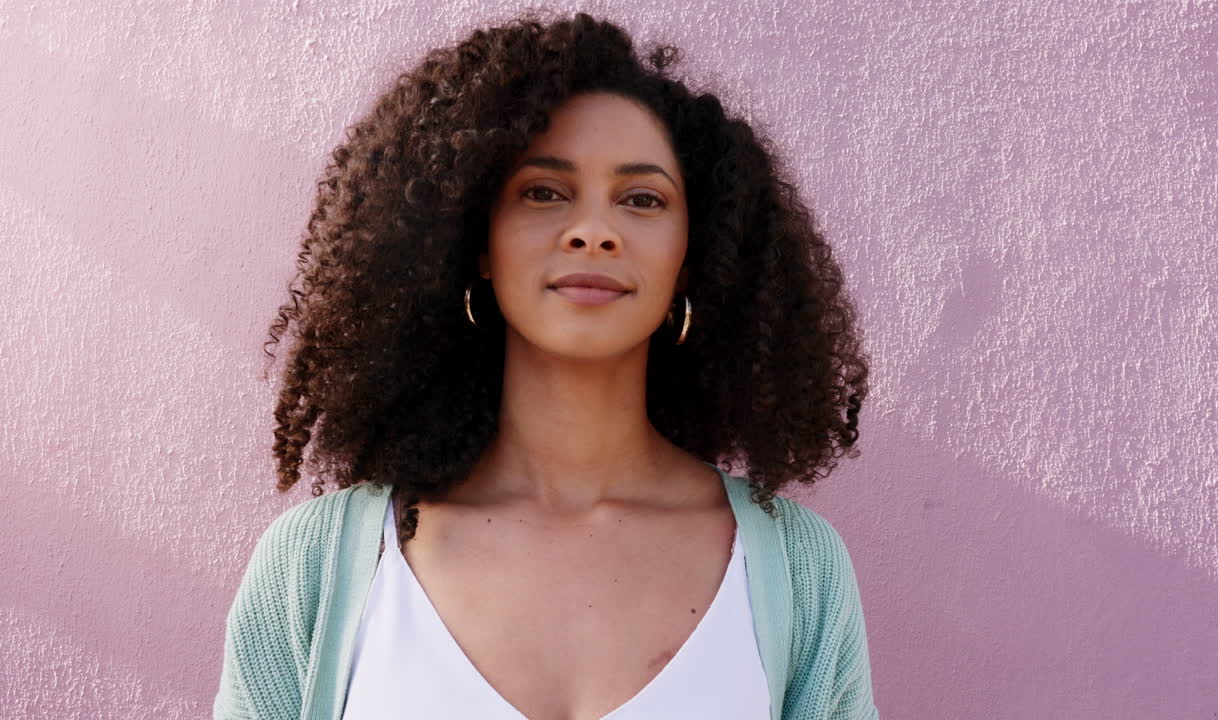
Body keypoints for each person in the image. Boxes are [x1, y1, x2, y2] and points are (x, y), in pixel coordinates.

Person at [215, 11, 877, 720]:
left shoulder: (796, 572)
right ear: (477, 241)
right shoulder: (314, 570)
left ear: (695, 256)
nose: (594, 231)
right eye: (543, 192)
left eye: (642, 199)